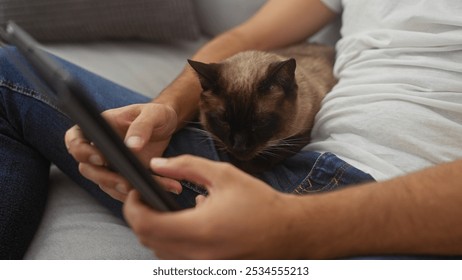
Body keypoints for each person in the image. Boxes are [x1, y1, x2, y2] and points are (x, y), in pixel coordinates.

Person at [0, 0, 461, 259]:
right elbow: (244, 40)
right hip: (294, 171)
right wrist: (164, 111)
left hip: (393, 211)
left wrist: (293, 226)